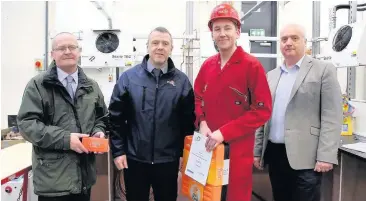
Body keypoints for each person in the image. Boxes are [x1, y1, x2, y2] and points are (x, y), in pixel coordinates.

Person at [254, 23, 343, 201]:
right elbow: (263, 116)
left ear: (305, 42)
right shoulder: (271, 75)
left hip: (306, 157)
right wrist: (257, 151)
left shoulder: (323, 70)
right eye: (284, 39)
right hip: (275, 153)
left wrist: (326, 155)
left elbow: (331, 115)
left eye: (295, 38)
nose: (289, 42)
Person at [194, 3, 272, 201]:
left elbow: (262, 111)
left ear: (238, 31)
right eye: (217, 29)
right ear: (212, 34)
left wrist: (224, 132)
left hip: (237, 152)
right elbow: (197, 98)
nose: (222, 34)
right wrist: (202, 122)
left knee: (234, 196)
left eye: (227, 28)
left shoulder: (251, 66)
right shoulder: (207, 65)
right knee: (207, 195)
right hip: (208, 147)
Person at [17, 32, 108, 201]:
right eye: (61, 48)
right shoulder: (38, 85)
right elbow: (27, 125)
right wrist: (66, 139)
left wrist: (98, 131)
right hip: (53, 182)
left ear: (79, 51)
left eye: (72, 47)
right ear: (52, 54)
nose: (67, 51)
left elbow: (101, 118)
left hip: (84, 179)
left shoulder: (91, 86)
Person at [109, 26, 195, 201]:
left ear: (171, 48)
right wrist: (118, 152)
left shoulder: (182, 82)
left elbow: (187, 123)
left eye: (165, 43)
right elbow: (116, 118)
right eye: (155, 43)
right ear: (147, 46)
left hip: (168, 161)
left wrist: (183, 154)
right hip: (135, 160)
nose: (160, 47)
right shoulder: (129, 78)